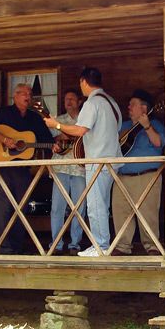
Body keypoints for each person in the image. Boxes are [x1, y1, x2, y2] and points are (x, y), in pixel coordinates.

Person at [43, 67, 121, 257]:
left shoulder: (92, 103)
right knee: (102, 203)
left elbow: (80, 130)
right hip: (113, 159)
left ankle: (101, 246)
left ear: (84, 82)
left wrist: (56, 125)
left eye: (80, 83)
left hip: (97, 160)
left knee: (95, 205)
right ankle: (101, 244)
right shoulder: (112, 103)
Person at [0, 83, 57, 254]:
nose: (27, 96)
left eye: (29, 93)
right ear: (14, 96)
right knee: (3, 208)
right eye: (23, 93)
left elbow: (46, 138)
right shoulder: (2, 114)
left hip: (22, 170)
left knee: (20, 207)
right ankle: (2, 248)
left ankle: (16, 247)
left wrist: (54, 146)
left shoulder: (34, 118)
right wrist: (4, 140)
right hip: (2, 167)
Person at [111, 89, 165, 256]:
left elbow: (158, 143)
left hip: (147, 176)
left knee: (148, 213)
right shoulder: (124, 126)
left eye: (132, 104)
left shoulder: (155, 125)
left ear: (144, 108)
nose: (129, 106)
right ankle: (122, 246)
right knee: (120, 212)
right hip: (122, 177)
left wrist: (147, 126)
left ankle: (152, 246)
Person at [49, 88, 86, 254]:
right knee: (57, 207)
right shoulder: (58, 120)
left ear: (79, 102)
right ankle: (56, 243)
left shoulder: (85, 120)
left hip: (79, 169)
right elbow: (51, 140)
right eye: (66, 99)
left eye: (72, 99)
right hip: (61, 167)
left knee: (79, 207)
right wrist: (56, 141)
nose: (68, 102)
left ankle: (74, 244)